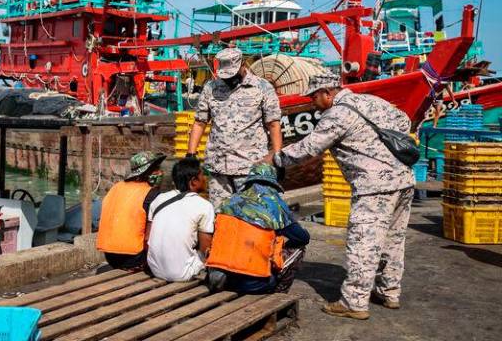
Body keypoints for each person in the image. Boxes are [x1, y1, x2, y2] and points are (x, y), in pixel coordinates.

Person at [270, 71, 415, 320]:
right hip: (404, 180)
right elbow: (404, 122)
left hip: (374, 187)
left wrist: (276, 158)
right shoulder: (371, 101)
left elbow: (309, 148)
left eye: (314, 97)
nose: (311, 102)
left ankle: (354, 303)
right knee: (393, 240)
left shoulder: (337, 114)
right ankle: (389, 292)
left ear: (327, 93)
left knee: (363, 244)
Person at [187, 45, 283, 207]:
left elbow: (273, 124)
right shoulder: (211, 88)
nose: (228, 79)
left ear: (242, 66)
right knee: (219, 217)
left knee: (251, 216)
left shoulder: (262, 88)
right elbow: (200, 122)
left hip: (250, 168)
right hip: (218, 168)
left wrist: (278, 156)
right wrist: (190, 154)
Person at [206, 163, 309, 294]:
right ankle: (279, 295)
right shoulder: (275, 205)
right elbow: (303, 238)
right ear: (273, 184)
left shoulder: (228, 202)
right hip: (254, 284)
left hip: (219, 280)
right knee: (299, 248)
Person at [146, 157, 215, 281]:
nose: (206, 179)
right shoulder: (205, 206)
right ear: (193, 181)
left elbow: (147, 238)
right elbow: (205, 249)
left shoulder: (159, 199)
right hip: (182, 273)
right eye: (203, 176)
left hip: (155, 269)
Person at [96, 151, 165, 271]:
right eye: (156, 169)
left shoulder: (116, 187)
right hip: (134, 257)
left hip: (109, 255)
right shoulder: (151, 194)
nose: (160, 173)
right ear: (146, 172)